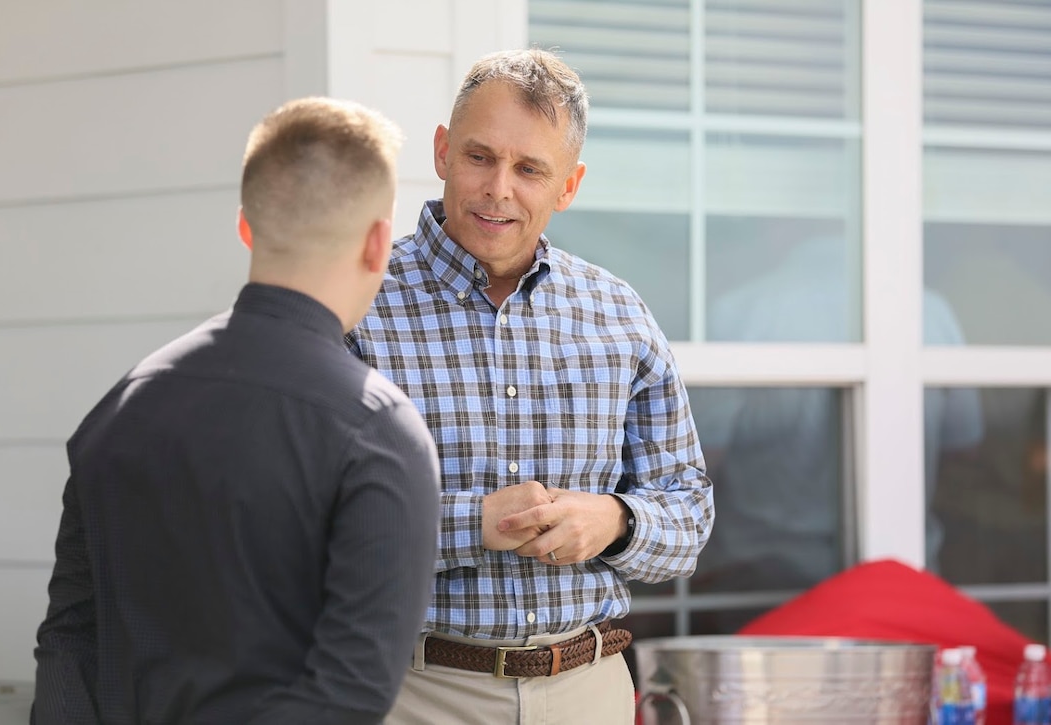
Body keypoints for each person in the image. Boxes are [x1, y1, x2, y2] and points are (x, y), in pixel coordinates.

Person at [30, 97, 441, 725]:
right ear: (379, 242)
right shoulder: (380, 432)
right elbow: (350, 694)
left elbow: (69, 644)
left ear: (247, 226)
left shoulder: (117, 410)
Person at [345, 48, 715, 724]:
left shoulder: (619, 313)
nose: (498, 189)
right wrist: (474, 525)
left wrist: (616, 520)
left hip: (589, 689)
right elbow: (304, 519)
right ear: (441, 150)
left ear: (567, 186)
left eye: (529, 169)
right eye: (479, 156)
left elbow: (689, 515)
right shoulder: (357, 303)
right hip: (411, 692)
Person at [691, 234, 983, 631]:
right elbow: (964, 447)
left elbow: (702, 461)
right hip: (902, 569)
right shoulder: (930, 310)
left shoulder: (746, 308)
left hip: (758, 576)